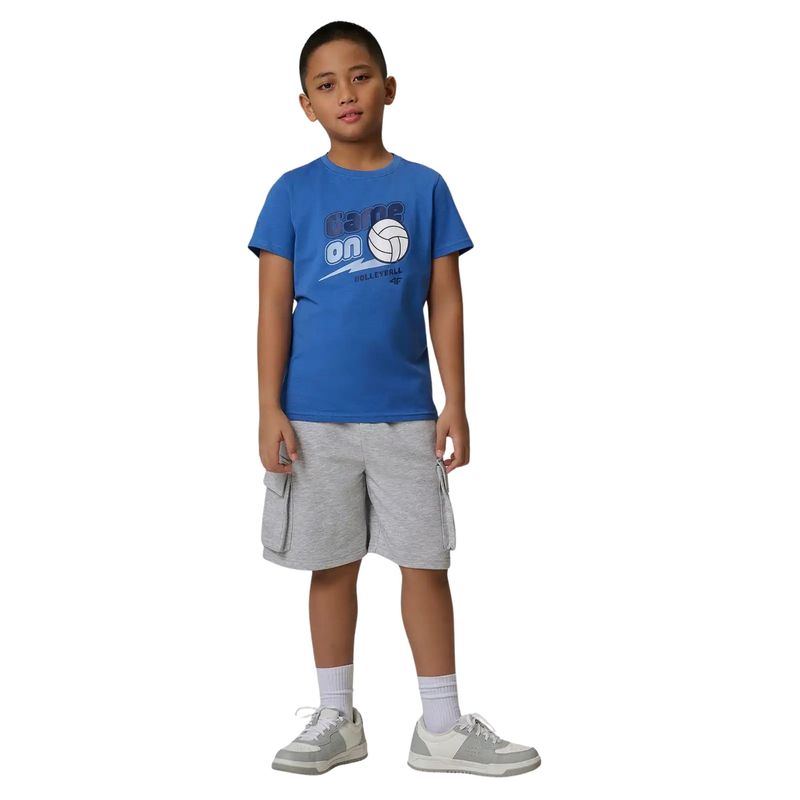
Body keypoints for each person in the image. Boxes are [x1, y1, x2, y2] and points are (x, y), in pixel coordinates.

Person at [247, 20, 541, 778]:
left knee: (425, 563)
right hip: (313, 420)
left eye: (360, 76)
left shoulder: (424, 188)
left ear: (389, 87)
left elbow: (446, 301)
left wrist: (456, 402)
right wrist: (269, 408)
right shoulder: (291, 193)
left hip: (408, 417)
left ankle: (440, 727)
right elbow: (273, 307)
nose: (346, 93)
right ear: (307, 105)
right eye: (326, 84)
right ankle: (336, 718)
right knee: (331, 565)